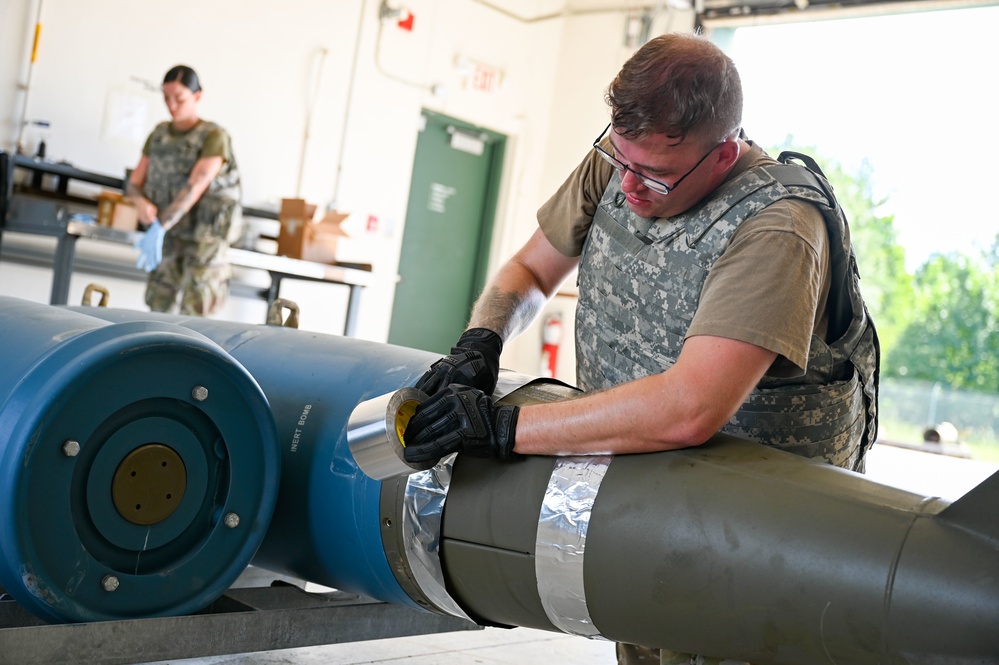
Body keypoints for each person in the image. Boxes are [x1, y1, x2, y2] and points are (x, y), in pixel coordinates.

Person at [402, 32, 880, 665]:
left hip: (759, 532)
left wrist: (503, 426)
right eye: (618, 157)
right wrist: (480, 342)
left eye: (653, 177)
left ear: (722, 155)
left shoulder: (780, 227)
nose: (626, 185)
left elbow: (690, 407)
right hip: (650, 490)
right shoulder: (626, 158)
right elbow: (531, 270)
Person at [127, 65, 242, 316]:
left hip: (204, 243)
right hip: (169, 240)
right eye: (166, 98)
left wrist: (160, 226)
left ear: (197, 97)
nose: (171, 105)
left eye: (179, 98)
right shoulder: (159, 134)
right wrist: (140, 203)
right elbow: (134, 182)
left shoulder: (214, 136)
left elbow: (195, 186)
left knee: (197, 320)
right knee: (158, 310)